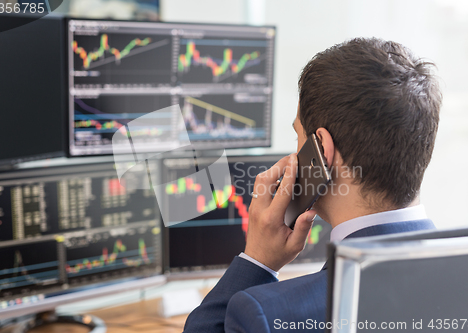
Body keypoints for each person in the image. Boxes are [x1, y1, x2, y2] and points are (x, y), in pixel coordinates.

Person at [183, 37, 442, 333]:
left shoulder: (265, 314)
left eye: (299, 136)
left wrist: (257, 261)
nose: (295, 152)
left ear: (322, 151)